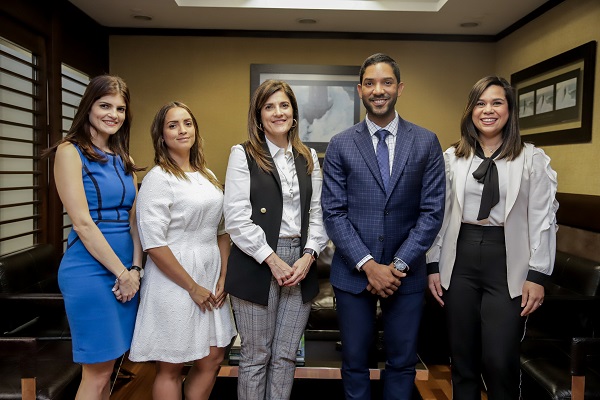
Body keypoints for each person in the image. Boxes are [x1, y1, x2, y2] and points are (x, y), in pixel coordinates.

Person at [321, 53, 446, 400]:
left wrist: (397, 266)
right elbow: (333, 212)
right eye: (371, 83)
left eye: (387, 82)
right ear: (360, 90)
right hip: (353, 273)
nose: (379, 90)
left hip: (406, 275)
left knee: (403, 363)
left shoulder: (426, 141)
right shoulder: (340, 144)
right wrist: (369, 266)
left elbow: (432, 212)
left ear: (400, 88)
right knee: (355, 363)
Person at [426, 76, 559, 400]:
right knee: (463, 360)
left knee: (500, 360)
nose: (488, 110)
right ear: (470, 110)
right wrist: (432, 265)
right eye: (480, 103)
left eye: (497, 102)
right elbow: (437, 216)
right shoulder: (452, 158)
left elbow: (544, 219)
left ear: (510, 111)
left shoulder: (531, 159)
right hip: (460, 260)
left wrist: (537, 275)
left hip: (508, 261)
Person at [224, 79, 329, 400]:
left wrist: (309, 255)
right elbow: (236, 218)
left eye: (284, 105)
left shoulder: (308, 155)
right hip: (256, 261)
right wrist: (272, 259)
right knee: (256, 356)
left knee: (285, 356)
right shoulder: (242, 154)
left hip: (300, 261)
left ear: (294, 113)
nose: (278, 112)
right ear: (259, 116)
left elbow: (319, 213)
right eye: (269, 107)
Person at [128, 101, 236, 400]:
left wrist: (224, 274)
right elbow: (153, 243)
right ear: (161, 136)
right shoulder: (158, 179)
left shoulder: (207, 175)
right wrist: (191, 286)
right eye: (172, 125)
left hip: (210, 271)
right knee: (171, 366)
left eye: (187, 123)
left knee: (212, 358)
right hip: (173, 278)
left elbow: (222, 230)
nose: (182, 130)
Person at [48, 74, 143, 399]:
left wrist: (136, 269)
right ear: (88, 106)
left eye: (119, 108)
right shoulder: (69, 152)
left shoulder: (124, 158)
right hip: (89, 271)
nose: (112, 114)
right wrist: (122, 273)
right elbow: (82, 224)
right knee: (97, 372)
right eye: (105, 105)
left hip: (127, 273)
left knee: (110, 370)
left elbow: (135, 222)